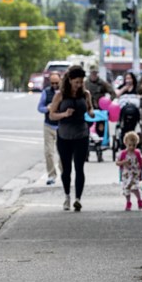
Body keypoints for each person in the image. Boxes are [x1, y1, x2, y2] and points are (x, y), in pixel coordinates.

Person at [48, 64, 94, 212]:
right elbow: (51, 115)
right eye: (77, 82)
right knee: (66, 169)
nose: (79, 85)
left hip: (81, 134)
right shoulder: (60, 95)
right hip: (64, 135)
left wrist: (92, 113)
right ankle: (67, 196)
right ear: (70, 81)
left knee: (79, 167)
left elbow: (90, 108)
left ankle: (78, 199)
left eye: (81, 82)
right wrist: (64, 114)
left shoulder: (85, 94)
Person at [115, 130, 142, 210]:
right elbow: (117, 163)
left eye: (134, 145)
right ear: (125, 143)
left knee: (135, 188)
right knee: (126, 189)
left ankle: (139, 200)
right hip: (126, 175)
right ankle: (128, 202)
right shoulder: (122, 154)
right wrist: (123, 162)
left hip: (135, 174)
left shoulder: (137, 153)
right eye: (130, 145)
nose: (132, 147)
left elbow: (141, 161)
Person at [38, 71, 63, 186]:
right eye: (52, 83)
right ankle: (51, 175)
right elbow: (40, 107)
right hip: (48, 125)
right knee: (48, 152)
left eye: (56, 83)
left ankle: (64, 174)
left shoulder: (64, 92)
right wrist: (47, 108)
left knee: (63, 152)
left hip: (62, 126)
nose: (54, 85)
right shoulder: (46, 92)